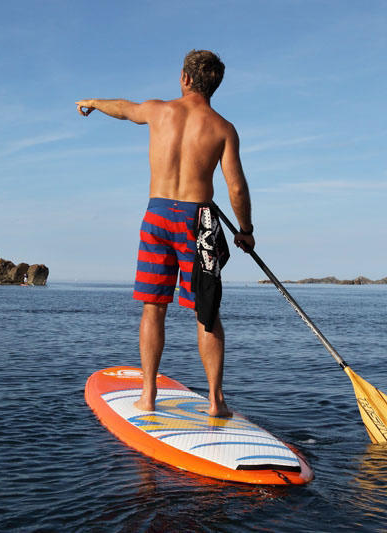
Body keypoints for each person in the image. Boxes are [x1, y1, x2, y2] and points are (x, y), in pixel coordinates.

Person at [76, 50, 254, 417]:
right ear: (214, 86)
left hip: (157, 215)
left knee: (153, 308)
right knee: (206, 312)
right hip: (197, 219)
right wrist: (246, 231)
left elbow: (124, 108)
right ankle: (216, 401)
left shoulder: (158, 111)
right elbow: (236, 187)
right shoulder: (223, 128)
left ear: (185, 79)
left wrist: (94, 102)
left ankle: (147, 395)